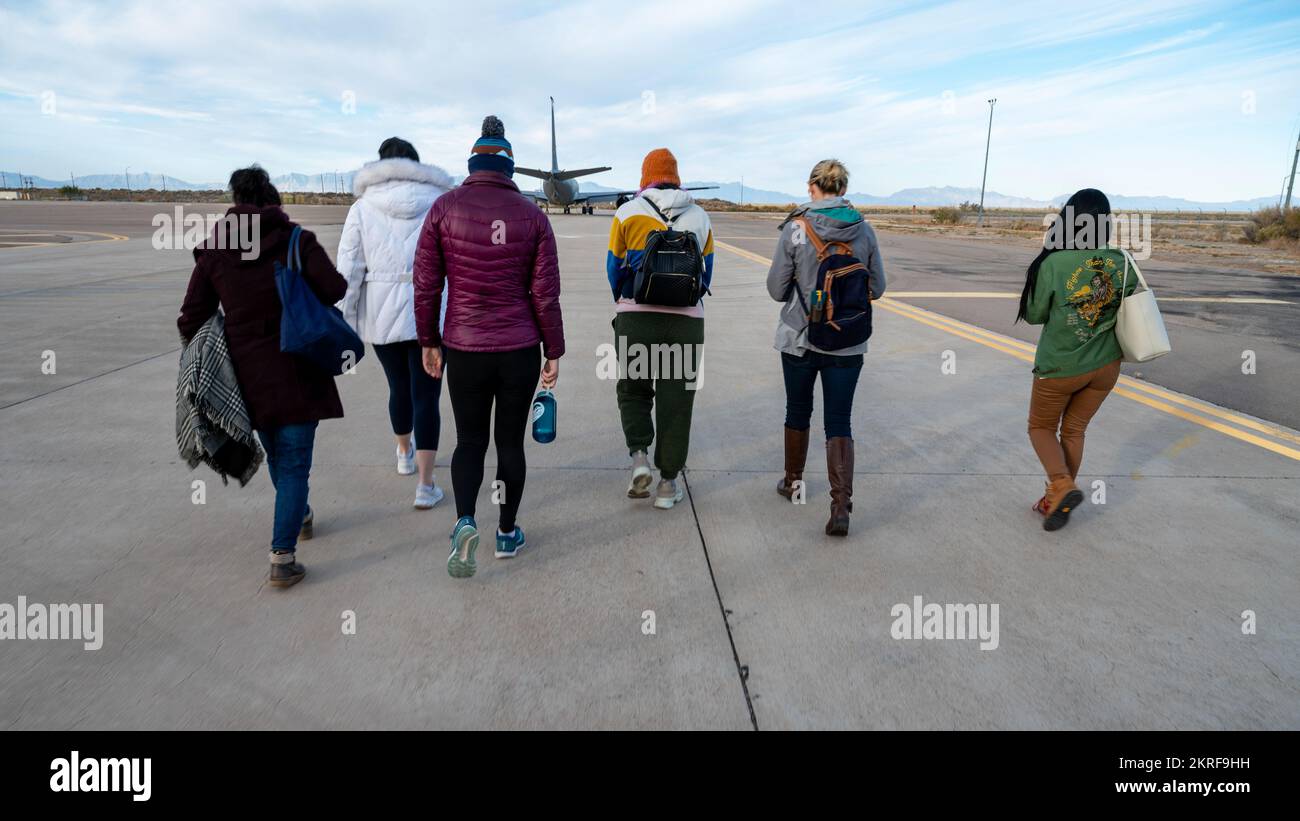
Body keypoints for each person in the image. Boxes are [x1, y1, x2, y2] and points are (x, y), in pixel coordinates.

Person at [178, 166, 348, 587]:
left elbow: (190, 320)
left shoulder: (215, 252)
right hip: (299, 368)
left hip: (245, 378)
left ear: (234, 201)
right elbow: (335, 288)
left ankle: (300, 514)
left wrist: (229, 330)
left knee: (279, 458)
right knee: (293, 465)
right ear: (273, 199)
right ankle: (282, 557)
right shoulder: (296, 240)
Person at [413, 116, 564, 579]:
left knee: (469, 441)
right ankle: (505, 531)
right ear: (511, 169)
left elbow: (425, 284)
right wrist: (553, 349)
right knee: (509, 444)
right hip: (518, 348)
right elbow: (545, 293)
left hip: (465, 346)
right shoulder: (534, 217)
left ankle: (464, 522)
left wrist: (429, 340)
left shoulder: (444, 209)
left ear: (472, 163)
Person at [766, 159, 885, 536]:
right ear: (844, 190)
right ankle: (840, 506)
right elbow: (878, 288)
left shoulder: (796, 229)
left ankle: (794, 483)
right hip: (847, 343)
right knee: (839, 421)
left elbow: (775, 290)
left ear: (811, 187)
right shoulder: (864, 231)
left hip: (800, 338)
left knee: (798, 410)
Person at [337, 137, 454, 509]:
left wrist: (345, 318)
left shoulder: (361, 208)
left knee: (397, 388)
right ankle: (426, 484)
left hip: (383, 314)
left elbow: (350, 268)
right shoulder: (439, 203)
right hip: (431, 313)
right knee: (427, 396)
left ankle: (404, 452)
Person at [1019, 188, 1133, 531]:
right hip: (1105, 367)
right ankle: (1054, 499)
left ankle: (1061, 484)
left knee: (1040, 428)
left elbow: (1036, 314)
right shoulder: (1121, 260)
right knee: (1074, 431)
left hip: (1060, 367)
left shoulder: (1055, 262)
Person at [605, 148, 714, 510]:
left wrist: (626, 301)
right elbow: (707, 274)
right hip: (685, 322)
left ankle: (639, 458)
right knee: (677, 401)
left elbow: (613, 269)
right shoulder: (700, 216)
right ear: (676, 177)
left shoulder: (626, 213)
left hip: (637, 318)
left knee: (634, 390)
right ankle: (668, 485)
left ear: (645, 177)